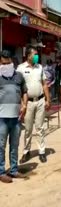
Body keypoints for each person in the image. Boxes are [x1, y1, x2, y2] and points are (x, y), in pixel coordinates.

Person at [18, 46, 51, 164]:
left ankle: (42, 152)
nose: (37, 56)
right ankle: (26, 151)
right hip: (28, 103)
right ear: (28, 55)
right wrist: (22, 103)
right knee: (27, 129)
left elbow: (44, 84)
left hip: (40, 101)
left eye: (37, 54)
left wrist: (48, 99)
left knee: (40, 128)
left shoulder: (40, 67)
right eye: (35, 54)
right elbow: (18, 87)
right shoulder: (21, 69)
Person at [0, 50, 28, 183]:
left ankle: (14, 170)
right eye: (3, 62)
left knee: (14, 145)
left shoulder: (19, 76)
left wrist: (24, 105)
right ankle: (0, 172)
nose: (6, 64)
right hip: (1, 118)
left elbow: (25, 92)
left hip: (16, 117)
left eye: (8, 62)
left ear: (12, 61)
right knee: (1, 145)